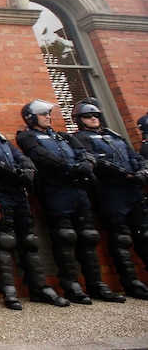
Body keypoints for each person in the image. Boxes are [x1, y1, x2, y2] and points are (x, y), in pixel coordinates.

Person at [0, 101, 69, 310]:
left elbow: (21, 157)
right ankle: (9, 290)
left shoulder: (0, 138)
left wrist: (27, 170)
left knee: (29, 240)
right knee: (5, 240)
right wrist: (16, 174)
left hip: (18, 193)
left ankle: (38, 287)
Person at [15, 99, 124, 304]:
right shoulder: (27, 135)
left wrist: (86, 164)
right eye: (43, 114)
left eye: (49, 114)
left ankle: (96, 283)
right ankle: (71, 284)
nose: (48, 117)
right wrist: (69, 167)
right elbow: (40, 155)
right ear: (31, 117)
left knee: (89, 236)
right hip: (56, 190)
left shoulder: (62, 136)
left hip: (78, 190)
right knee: (65, 237)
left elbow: (85, 152)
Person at [71, 99, 148, 300]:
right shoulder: (81, 138)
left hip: (133, 190)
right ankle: (131, 282)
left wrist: (142, 171)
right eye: (88, 116)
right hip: (111, 192)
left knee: (144, 234)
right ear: (80, 120)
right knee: (120, 237)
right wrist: (125, 174)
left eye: (96, 115)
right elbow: (95, 161)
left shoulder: (113, 135)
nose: (93, 119)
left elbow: (135, 156)